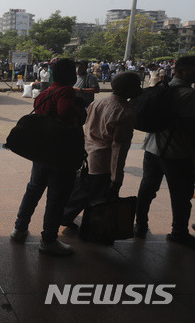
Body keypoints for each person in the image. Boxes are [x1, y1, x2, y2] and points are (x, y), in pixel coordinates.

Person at [11, 59, 79, 256]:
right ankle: (48, 239)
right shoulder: (66, 91)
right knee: (56, 197)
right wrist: (77, 109)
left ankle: (19, 228)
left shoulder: (44, 93)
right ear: (70, 75)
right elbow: (64, 112)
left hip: (41, 150)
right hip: (59, 152)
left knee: (33, 190)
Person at [61, 72, 142, 230]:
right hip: (104, 162)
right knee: (98, 199)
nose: (139, 89)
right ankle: (91, 229)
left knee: (84, 191)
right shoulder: (125, 113)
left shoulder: (98, 103)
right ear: (126, 89)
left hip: (89, 155)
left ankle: (64, 216)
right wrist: (116, 177)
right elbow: (119, 148)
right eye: (136, 86)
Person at [135, 56, 195, 247]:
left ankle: (140, 226)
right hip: (177, 154)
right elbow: (188, 129)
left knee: (146, 189)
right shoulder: (188, 95)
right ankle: (179, 232)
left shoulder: (162, 88)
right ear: (182, 71)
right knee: (180, 195)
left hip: (152, 149)